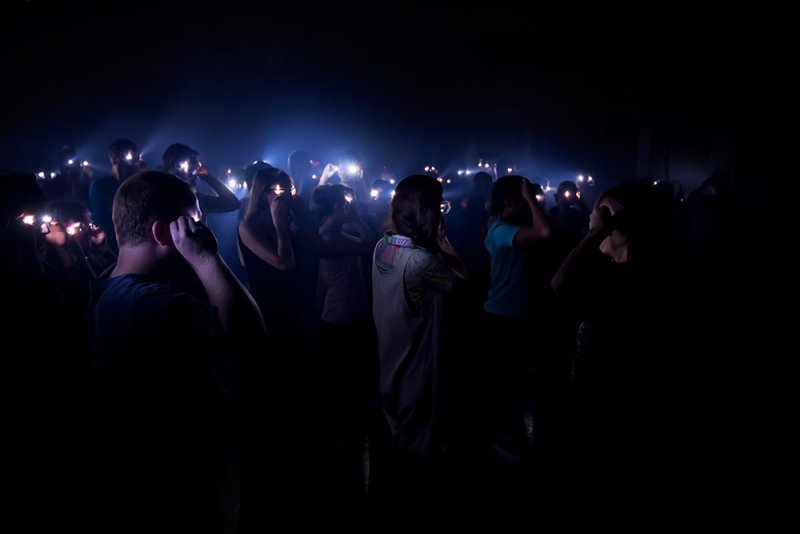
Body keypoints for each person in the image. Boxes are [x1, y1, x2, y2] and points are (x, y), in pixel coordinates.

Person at [87, 170, 265, 533]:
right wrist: (205, 258)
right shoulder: (145, 301)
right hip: (173, 481)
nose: (200, 230)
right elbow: (250, 336)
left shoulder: (110, 282)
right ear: (161, 232)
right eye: (193, 221)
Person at [372, 174, 467, 501]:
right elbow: (465, 284)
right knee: (420, 456)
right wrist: (444, 243)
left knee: (397, 439)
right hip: (419, 369)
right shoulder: (424, 261)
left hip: (390, 359)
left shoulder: (382, 246)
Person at [88, 138, 143, 254]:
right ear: (114, 158)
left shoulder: (139, 183)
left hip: (137, 246)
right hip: (113, 248)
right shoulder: (101, 186)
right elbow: (125, 212)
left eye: (135, 156)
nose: (133, 161)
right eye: (128, 155)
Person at [161, 142, 241, 215]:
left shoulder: (195, 199)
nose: (195, 167)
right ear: (175, 165)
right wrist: (208, 177)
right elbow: (233, 203)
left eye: (195, 163)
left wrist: (207, 176)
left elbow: (233, 204)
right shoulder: (160, 198)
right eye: (189, 162)